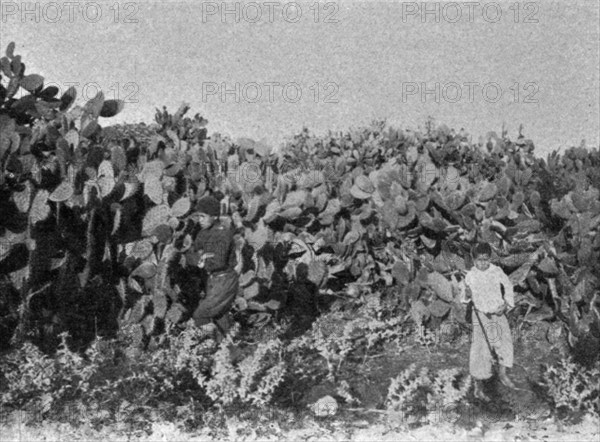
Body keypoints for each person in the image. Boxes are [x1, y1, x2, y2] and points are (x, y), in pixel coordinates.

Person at [461, 242, 516, 400]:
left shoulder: (496, 271)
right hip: (480, 315)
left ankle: (503, 374)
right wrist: (467, 294)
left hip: (497, 313)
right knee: (480, 348)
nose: (483, 263)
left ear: (490, 258)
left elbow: (508, 285)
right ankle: (479, 386)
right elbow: (464, 298)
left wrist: (506, 304)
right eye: (479, 260)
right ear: (473, 260)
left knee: (504, 341)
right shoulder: (471, 275)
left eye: (486, 259)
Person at [185, 195, 239, 334]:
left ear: (214, 216)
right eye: (198, 216)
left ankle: (218, 346)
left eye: (203, 216)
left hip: (225, 280)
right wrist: (199, 259)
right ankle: (231, 352)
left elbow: (218, 262)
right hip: (213, 280)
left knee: (200, 316)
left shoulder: (223, 234)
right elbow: (191, 253)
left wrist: (201, 261)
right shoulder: (203, 233)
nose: (200, 220)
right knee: (220, 318)